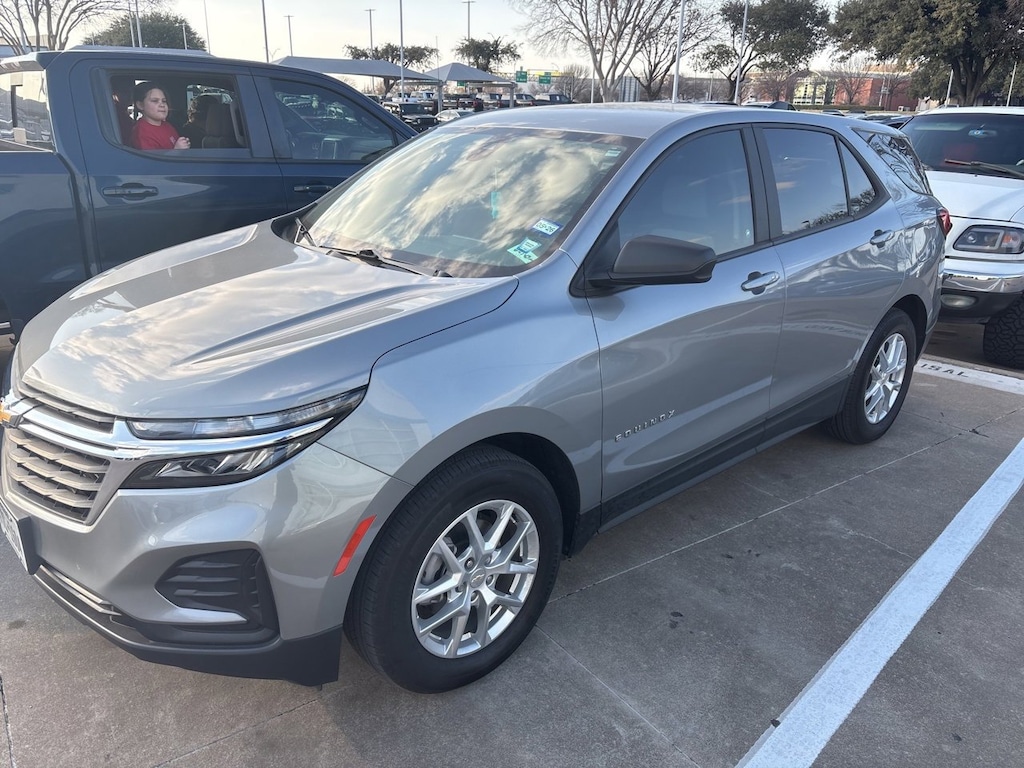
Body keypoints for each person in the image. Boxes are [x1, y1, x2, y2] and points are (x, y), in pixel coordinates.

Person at [130, 82, 189, 150]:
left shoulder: (167, 125)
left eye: (164, 101)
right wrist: (177, 151)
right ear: (140, 105)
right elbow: (150, 157)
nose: (162, 105)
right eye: (155, 101)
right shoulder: (142, 134)